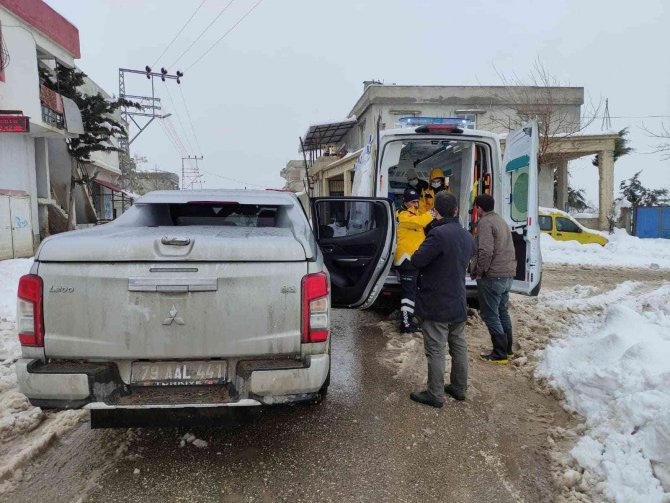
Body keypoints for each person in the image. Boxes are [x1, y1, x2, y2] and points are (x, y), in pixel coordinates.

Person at [409, 192, 476, 407]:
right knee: (458, 345)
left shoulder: (438, 235)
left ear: (435, 212)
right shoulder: (467, 236)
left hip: (437, 302)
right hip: (458, 300)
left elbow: (418, 259)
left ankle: (435, 394)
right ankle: (458, 388)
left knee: (436, 348)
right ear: (456, 210)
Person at [470, 194, 517, 364]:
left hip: (493, 276)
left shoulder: (485, 222)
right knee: (502, 311)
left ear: (479, 208)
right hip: (507, 275)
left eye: (476, 207)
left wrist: (480, 271)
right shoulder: (500, 220)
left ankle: (499, 353)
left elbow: (486, 251)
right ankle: (508, 349)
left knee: (490, 314)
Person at [394, 187, 434, 333]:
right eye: (412, 202)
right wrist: (432, 213)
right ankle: (405, 324)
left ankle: (413, 318)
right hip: (406, 260)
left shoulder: (416, 213)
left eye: (417, 202)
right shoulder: (402, 215)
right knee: (408, 293)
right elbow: (420, 222)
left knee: (415, 291)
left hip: (415, 260)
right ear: (405, 202)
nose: (415, 205)